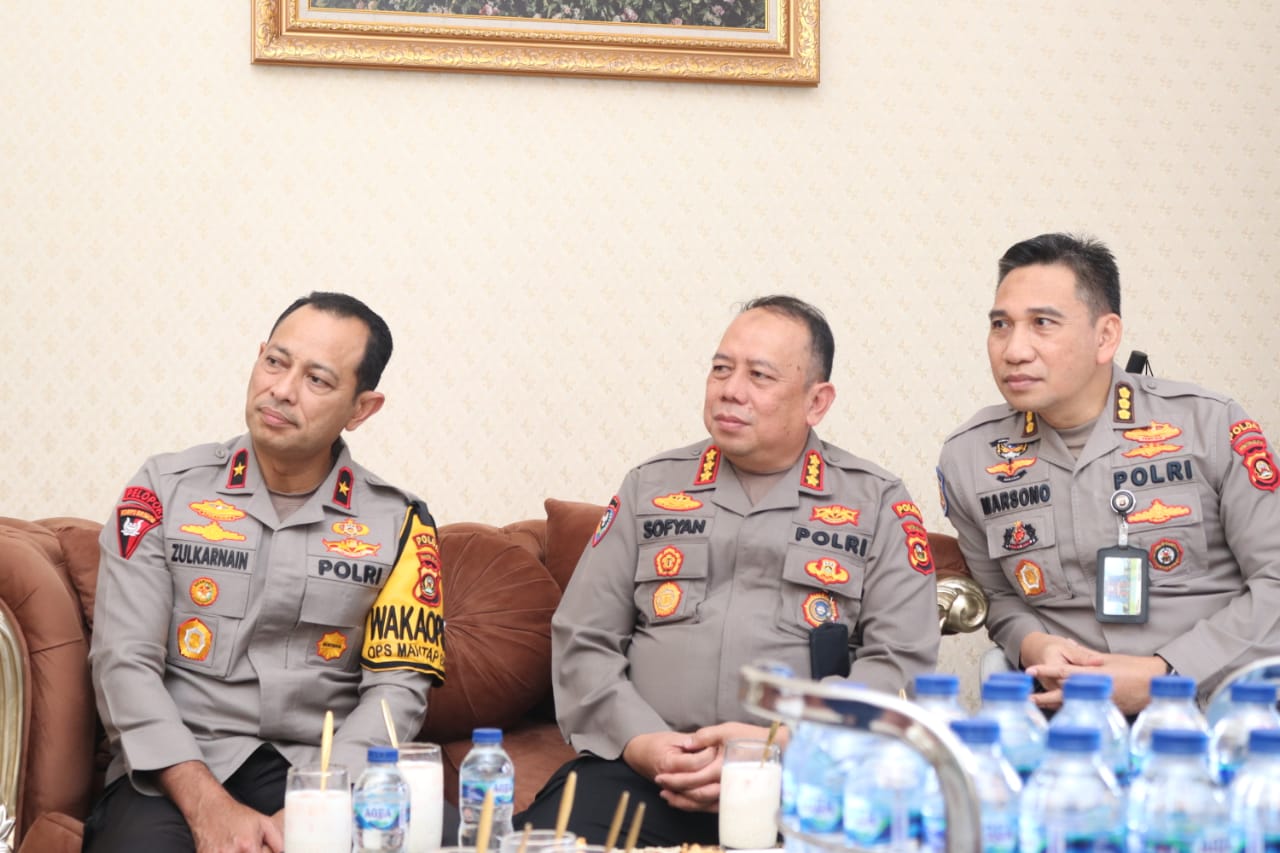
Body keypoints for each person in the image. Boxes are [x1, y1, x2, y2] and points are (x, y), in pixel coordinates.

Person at [516, 295, 940, 845]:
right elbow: (584, 636)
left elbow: (898, 662)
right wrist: (643, 743)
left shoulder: (877, 503)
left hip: (808, 776)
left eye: (759, 375)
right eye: (721, 369)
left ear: (817, 401)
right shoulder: (651, 487)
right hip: (648, 772)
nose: (730, 390)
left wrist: (785, 743)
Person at [84, 293, 446, 853]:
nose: (282, 389)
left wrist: (320, 801)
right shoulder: (162, 491)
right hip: (178, 771)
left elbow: (396, 690)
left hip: (320, 770)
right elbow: (123, 661)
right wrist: (206, 804)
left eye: (317, 380)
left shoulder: (399, 523)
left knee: (448, 834)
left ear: (361, 409)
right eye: (275, 362)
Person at [937, 233, 1280, 716]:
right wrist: (1032, 643)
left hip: (1220, 711)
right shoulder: (970, 457)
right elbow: (996, 594)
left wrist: (1168, 674)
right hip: (1067, 721)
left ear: (1105, 336)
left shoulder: (1209, 425)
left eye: (1042, 323)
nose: (1014, 350)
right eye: (1001, 325)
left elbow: (1275, 581)